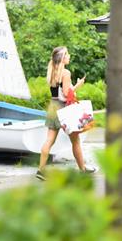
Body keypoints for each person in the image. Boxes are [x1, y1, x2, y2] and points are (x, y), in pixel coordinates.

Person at [36, 46, 96, 180]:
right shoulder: (65, 73)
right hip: (63, 108)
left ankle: (41, 170)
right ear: (62, 58)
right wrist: (78, 86)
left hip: (53, 106)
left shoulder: (52, 71)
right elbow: (66, 95)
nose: (69, 56)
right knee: (75, 141)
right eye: (67, 54)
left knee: (49, 140)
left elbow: (57, 93)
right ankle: (82, 169)